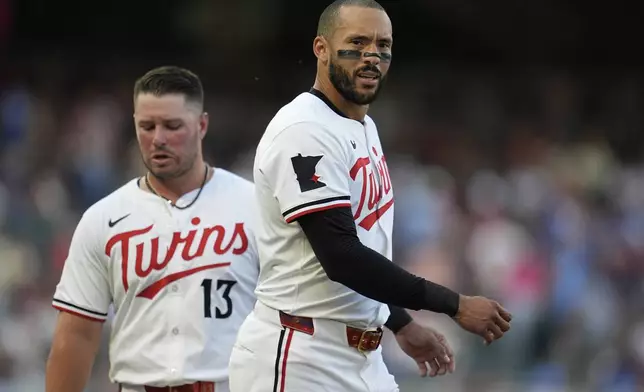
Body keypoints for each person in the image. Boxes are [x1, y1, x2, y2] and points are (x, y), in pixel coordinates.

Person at [228, 1, 513, 391]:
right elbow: (341, 256)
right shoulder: (305, 130)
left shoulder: (361, 124)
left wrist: (399, 321)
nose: (371, 56)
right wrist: (454, 304)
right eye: (357, 42)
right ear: (321, 48)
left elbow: (362, 248)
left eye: (382, 45)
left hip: (360, 353)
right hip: (301, 354)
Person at [45, 66, 259, 392]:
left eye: (172, 126)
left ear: (202, 125)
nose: (158, 138)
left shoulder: (254, 205)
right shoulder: (103, 218)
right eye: (147, 126)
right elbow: (76, 335)